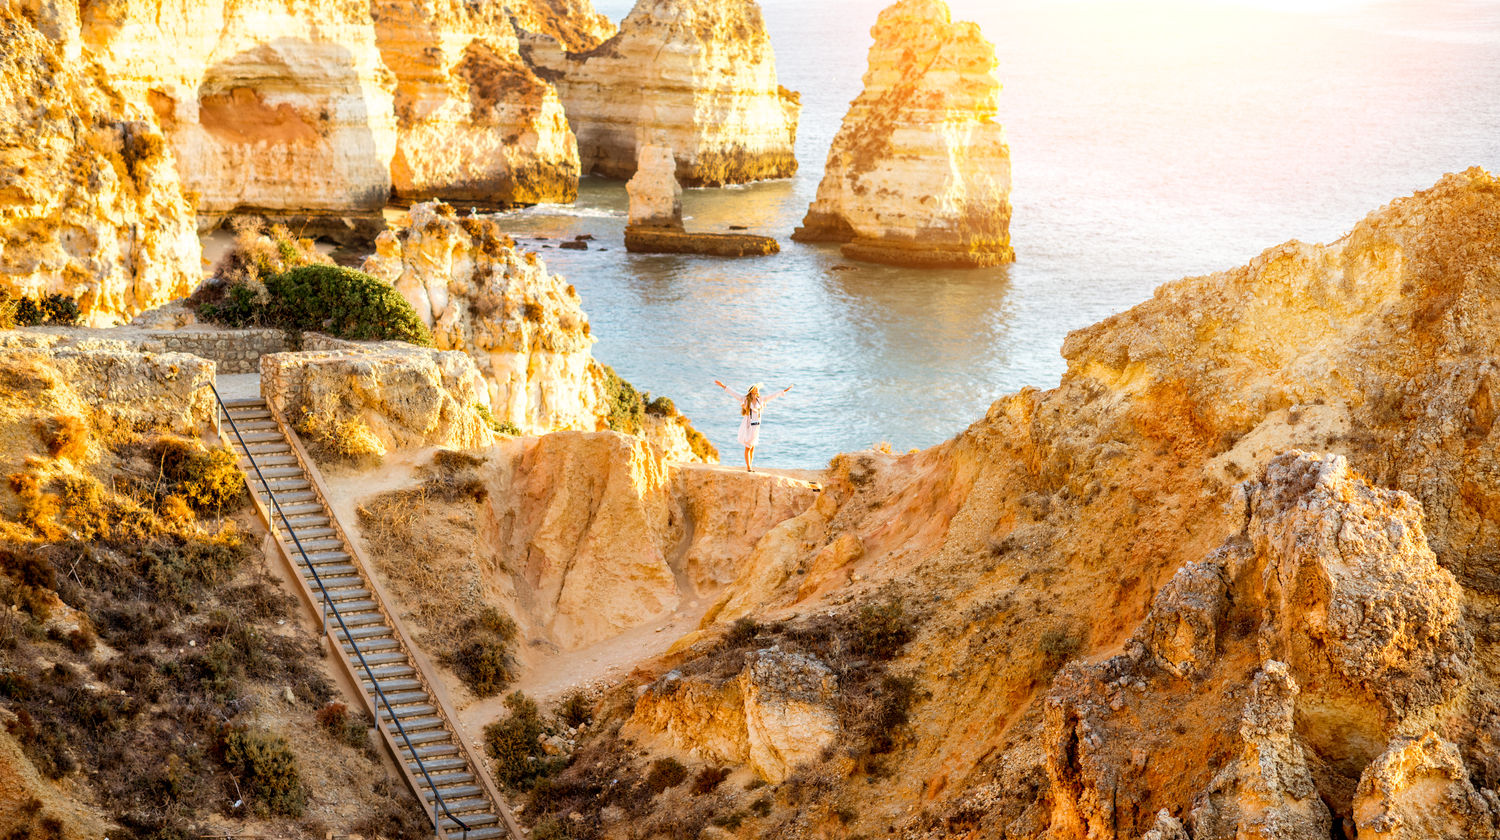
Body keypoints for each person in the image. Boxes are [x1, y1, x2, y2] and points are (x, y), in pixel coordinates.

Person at [713, 380, 792, 472]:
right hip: (748, 425)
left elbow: (772, 396)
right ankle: (748, 467)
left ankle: (750, 466)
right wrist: (723, 386)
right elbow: (733, 393)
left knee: (753, 446)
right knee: (748, 446)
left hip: (756, 426)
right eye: (756, 389)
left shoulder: (761, 399)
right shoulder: (745, 399)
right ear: (752, 391)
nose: (758, 390)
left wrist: (784, 391)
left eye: (757, 389)